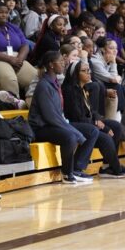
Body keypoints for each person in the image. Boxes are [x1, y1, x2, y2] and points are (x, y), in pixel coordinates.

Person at [28, 51, 97, 184]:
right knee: (70, 136)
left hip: (55, 124)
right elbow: (50, 116)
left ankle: (77, 168)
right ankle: (67, 173)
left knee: (91, 131)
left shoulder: (55, 83)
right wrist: (74, 131)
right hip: (42, 127)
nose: (63, 64)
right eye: (60, 62)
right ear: (51, 65)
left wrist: (74, 130)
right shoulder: (43, 85)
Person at [62, 61, 125, 178]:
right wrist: (101, 126)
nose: (88, 73)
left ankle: (107, 166)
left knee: (116, 126)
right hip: (75, 124)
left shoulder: (84, 88)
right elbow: (78, 118)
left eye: (88, 70)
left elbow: (91, 111)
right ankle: (116, 168)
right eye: (84, 71)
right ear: (75, 73)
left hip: (88, 123)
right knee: (106, 138)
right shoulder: (70, 91)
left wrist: (97, 121)